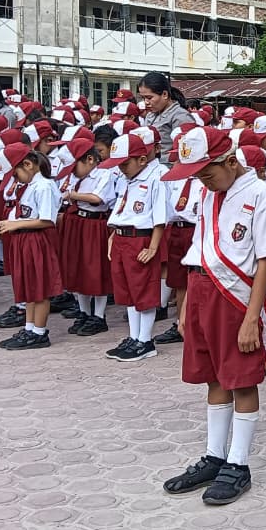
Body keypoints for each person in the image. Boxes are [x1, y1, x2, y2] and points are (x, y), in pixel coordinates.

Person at [161, 126, 266, 505]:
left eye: (207, 172)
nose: (203, 180)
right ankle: (215, 456)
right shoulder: (209, 192)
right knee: (212, 376)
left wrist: (251, 318)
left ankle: (238, 463)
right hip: (201, 289)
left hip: (236, 297)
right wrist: (186, 305)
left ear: (230, 161)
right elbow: (200, 247)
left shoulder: (261, 194)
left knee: (240, 379)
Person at [102, 131, 168, 363]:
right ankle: (134, 336)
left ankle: (145, 340)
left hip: (141, 239)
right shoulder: (126, 180)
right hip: (122, 239)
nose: (121, 169)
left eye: (125, 163)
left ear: (141, 160)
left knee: (143, 290)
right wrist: (113, 236)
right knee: (128, 291)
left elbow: (160, 217)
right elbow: (122, 210)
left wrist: (153, 247)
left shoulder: (155, 179)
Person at [0, 145, 64, 351]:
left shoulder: (44, 186)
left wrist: (15, 224)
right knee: (29, 286)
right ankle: (29, 327)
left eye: (16, 174)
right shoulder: (29, 185)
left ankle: (39, 332)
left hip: (37, 240)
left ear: (28, 164)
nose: (15, 178)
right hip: (24, 239)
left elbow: (47, 220)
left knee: (40, 288)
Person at [56, 136, 117, 336]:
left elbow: (97, 198)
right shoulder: (76, 177)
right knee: (77, 267)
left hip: (94, 223)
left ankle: (98, 316)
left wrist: (73, 195)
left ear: (90, 159)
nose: (73, 171)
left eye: (75, 166)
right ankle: (84, 311)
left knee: (95, 269)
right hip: (77, 222)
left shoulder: (104, 174)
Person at [155, 125, 205, 346]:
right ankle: (179, 323)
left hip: (196, 229)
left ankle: (198, 324)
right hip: (177, 229)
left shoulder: (205, 180)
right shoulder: (176, 178)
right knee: (179, 281)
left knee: (197, 279)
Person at [137, 71, 194, 164]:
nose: (146, 102)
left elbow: (187, 150)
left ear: (164, 94)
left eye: (149, 98)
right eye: (143, 98)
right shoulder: (150, 115)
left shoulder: (181, 116)